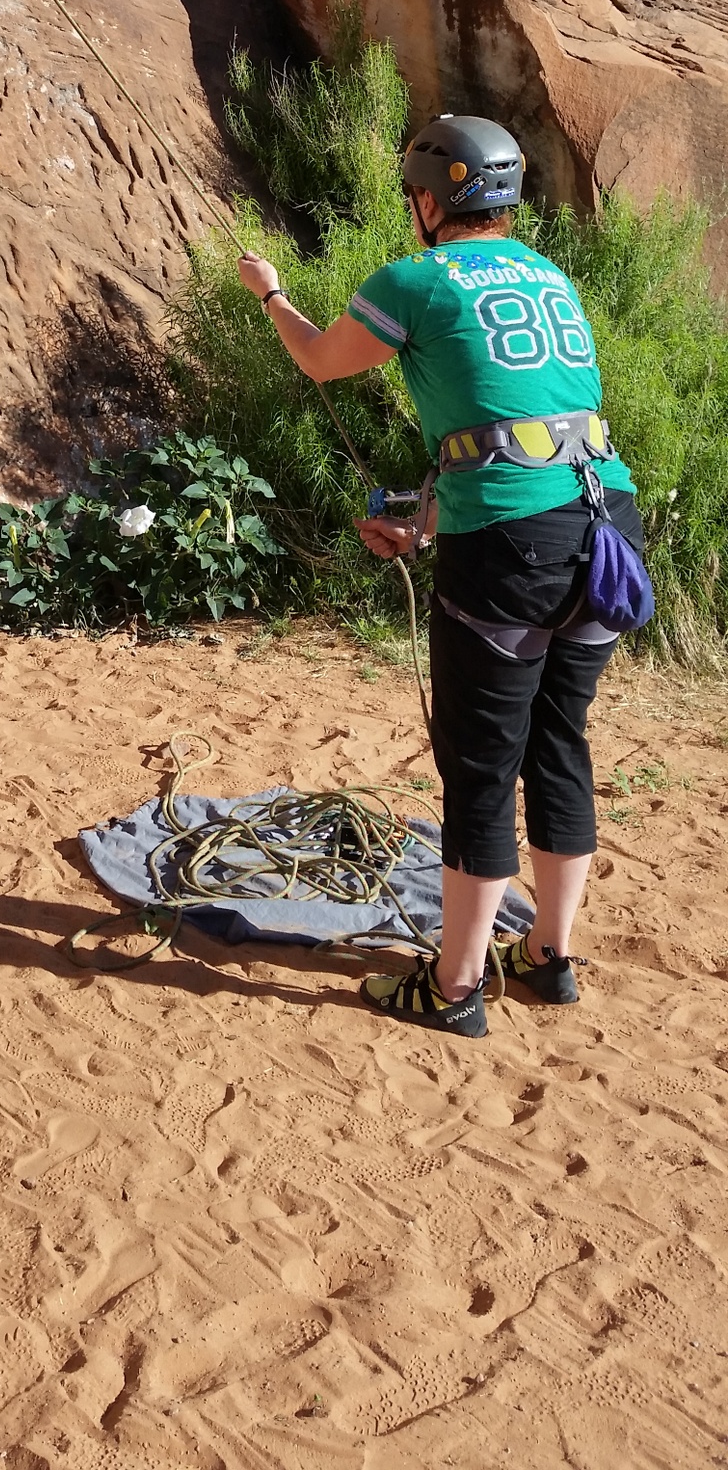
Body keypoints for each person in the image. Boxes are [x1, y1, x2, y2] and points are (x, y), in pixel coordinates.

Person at [236, 114, 644, 1038]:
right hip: (607, 527)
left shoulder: (415, 279)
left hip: (514, 545)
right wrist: (425, 521)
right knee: (559, 744)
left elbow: (319, 360)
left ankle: (457, 987)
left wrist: (271, 293)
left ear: (428, 201)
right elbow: (528, 425)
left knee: (480, 763)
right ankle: (548, 957)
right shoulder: (550, 276)